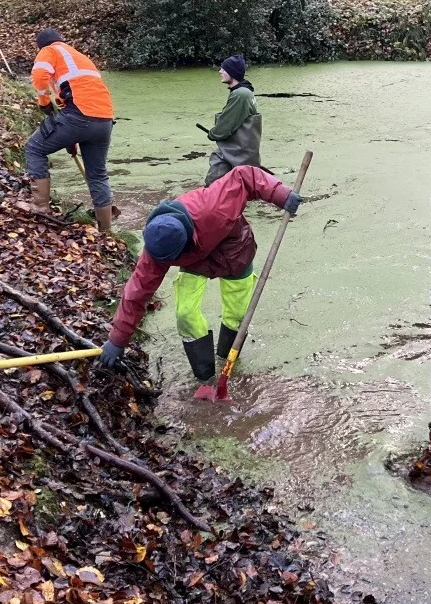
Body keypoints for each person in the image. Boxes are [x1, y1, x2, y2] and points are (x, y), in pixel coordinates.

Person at [96, 166, 302, 386]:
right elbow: (137, 293)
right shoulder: (158, 246)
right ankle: (205, 378)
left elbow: (245, 176)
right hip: (194, 262)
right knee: (185, 314)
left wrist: (281, 194)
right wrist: (117, 340)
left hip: (235, 253)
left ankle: (229, 364)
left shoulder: (214, 206)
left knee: (237, 315)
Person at [21, 29, 116, 232]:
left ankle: (40, 207)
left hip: (78, 116)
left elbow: (39, 76)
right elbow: (79, 94)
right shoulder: (79, 57)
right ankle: (106, 230)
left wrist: (43, 101)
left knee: (34, 148)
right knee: (98, 175)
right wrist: (70, 140)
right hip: (104, 121)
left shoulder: (50, 51)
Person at [198, 54, 262, 186]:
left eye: (224, 69)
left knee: (213, 186)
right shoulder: (244, 92)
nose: (220, 71)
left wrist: (213, 133)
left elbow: (226, 126)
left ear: (232, 73)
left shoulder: (241, 95)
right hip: (240, 151)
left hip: (237, 153)